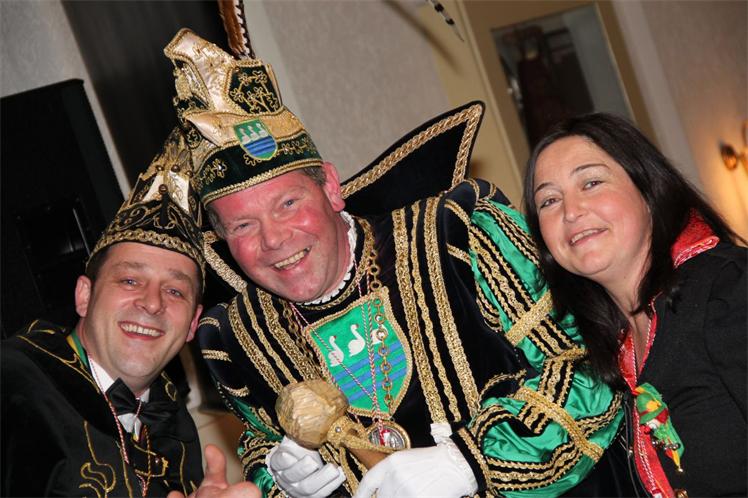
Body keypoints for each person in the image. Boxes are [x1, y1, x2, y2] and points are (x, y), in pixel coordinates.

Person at [165, 29, 628, 498]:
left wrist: (469, 462)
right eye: (242, 226)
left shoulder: (459, 234)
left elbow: (587, 366)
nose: (273, 239)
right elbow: (260, 447)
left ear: (330, 188)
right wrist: (278, 480)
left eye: (288, 204)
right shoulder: (235, 338)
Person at [1, 129, 257, 498]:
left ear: (192, 324)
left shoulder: (173, 424)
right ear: (85, 296)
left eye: (174, 291)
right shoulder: (11, 385)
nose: (152, 303)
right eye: (130, 280)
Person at [523, 112, 747, 498]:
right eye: (549, 200)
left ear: (648, 188)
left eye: (591, 183)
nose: (570, 212)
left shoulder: (729, 288)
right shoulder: (598, 356)